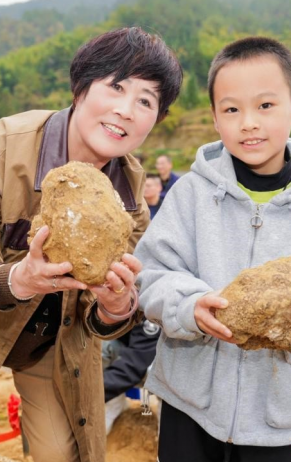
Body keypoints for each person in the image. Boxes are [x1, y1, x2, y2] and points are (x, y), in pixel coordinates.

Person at [0, 27, 183, 462]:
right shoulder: (0, 149)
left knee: (64, 453)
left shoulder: (129, 196)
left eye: (145, 100)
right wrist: (20, 277)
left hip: (54, 339)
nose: (126, 110)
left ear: (156, 118)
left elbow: (108, 317)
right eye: (116, 86)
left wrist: (116, 305)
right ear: (80, 88)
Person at [134, 36, 291, 462]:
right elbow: (150, 275)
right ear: (214, 117)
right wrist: (189, 307)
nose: (248, 122)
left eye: (265, 106)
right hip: (190, 403)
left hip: (278, 415)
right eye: (232, 109)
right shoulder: (191, 195)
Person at [102, 173, 164, 434]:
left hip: (159, 356)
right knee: (97, 348)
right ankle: (111, 405)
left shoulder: (149, 285)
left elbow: (139, 359)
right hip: (125, 347)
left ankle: (161, 422)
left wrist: (91, 390)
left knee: (153, 370)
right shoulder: (105, 272)